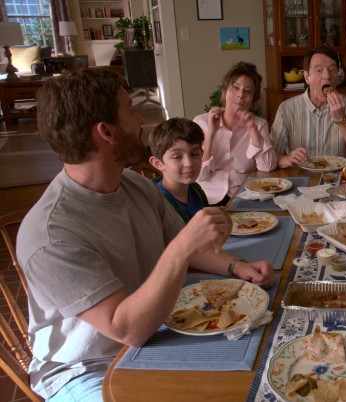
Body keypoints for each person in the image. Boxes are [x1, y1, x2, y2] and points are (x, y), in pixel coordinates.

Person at [16, 68, 274, 401]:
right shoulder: (52, 234)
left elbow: (191, 249)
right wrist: (180, 250)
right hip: (88, 369)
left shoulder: (134, 184)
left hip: (155, 327)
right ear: (106, 132)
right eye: (130, 111)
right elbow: (126, 329)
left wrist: (237, 266)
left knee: (259, 363)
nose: (140, 121)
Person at [271, 47, 346, 167]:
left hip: (338, 176)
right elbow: (270, 156)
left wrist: (342, 119)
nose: (327, 76)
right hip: (302, 175)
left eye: (332, 69)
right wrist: (287, 160)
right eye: (319, 70)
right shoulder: (286, 109)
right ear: (307, 77)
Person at [194, 62, 277, 205]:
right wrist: (211, 133)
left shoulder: (259, 124)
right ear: (225, 91)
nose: (240, 95)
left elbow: (267, 166)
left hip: (244, 197)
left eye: (248, 91)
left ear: (253, 98)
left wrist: (252, 129)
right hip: (208, 199)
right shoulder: (201, 122)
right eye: (236, 88)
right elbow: (199, 175)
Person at [148, 117, 208, 222]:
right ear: (158, 163)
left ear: (202, 154)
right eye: (177, 157)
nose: (189, 163)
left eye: (194, 154)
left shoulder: (196, 190)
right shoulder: (155, 204)